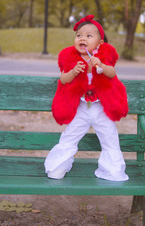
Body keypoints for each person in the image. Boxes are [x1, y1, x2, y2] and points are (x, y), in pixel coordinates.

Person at [44, 15, 129, 181]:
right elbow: (63, 79)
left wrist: (102, 66)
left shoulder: (103, 56)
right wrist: (74, 72)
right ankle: (57, 168)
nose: (82, 38)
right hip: (81, 108)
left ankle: (112, 171)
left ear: (100, 43)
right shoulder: (70, 58)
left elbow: (112, 74)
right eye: (79, 35)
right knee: (69, 136)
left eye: (89, 36)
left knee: (110, 138)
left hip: (100, 108)